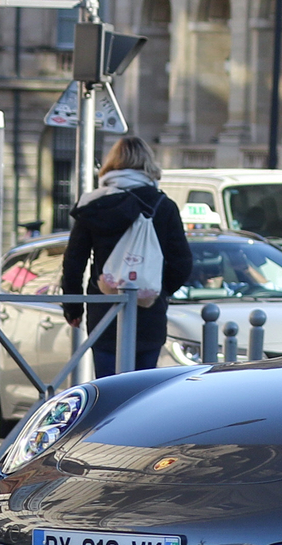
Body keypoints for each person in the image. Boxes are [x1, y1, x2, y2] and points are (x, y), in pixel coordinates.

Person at [63, 135, 193, 376]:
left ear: (111, 165)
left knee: (109, 389)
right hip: (147, 312)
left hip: (104, 310)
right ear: (147, 165)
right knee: (140, 392)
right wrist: (159, 291)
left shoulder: (92, 205)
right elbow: (182, 263)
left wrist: (73, 308)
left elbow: (74, 261)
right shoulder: (163, 206)